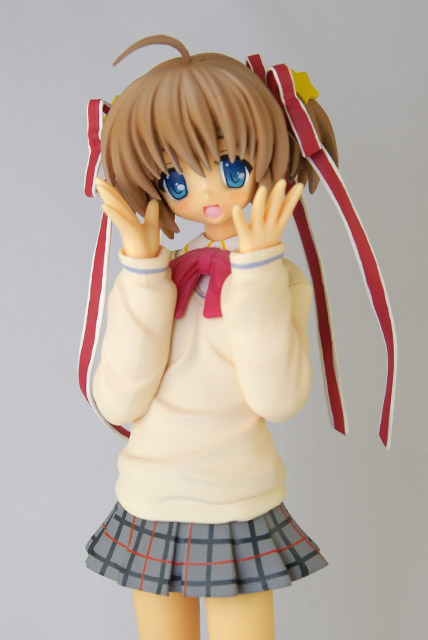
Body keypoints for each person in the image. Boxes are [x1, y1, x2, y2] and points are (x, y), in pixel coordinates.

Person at [83, 35, 342, 640]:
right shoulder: (157, 277)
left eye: (230, 168)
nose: (204, 193)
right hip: (149, 497)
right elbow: (117, 402)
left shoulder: (280, 282)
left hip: (238, 500)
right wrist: (142, 272)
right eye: (176, 178)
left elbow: (277, 398)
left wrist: (257, 270)